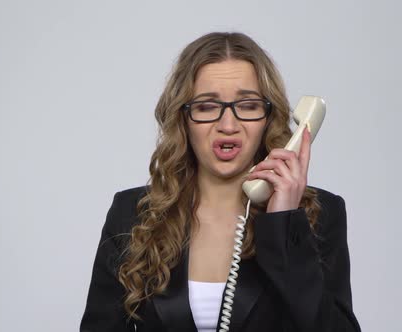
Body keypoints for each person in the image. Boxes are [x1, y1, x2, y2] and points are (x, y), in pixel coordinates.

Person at [79, 32, 361, 332]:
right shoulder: (132, 212)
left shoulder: (320, 213)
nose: (228, 125)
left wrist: (283, 222)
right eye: (206, 106)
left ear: (269, 115)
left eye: (248, 105)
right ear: (183, 118)